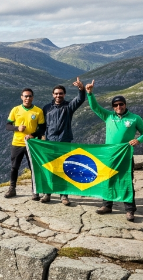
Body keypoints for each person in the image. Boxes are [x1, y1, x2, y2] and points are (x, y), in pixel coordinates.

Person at [85, 80, 143, 221]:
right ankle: (107, 205)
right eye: (115, 105)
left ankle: (130, 210)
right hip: (110, 155)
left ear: (125, 105)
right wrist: (90, 93)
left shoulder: (134, 118)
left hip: (125, 156)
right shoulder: (108, 116)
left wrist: (138, 140)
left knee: (126, 180)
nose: (118, 107)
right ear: (113, 107)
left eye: (121, 104)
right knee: (108, 179)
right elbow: (95, 107)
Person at [40, 77, 87, 205]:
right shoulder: (46, 108)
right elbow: (43, 125)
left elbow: (80, 99)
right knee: (50, 168)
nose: (58, 95)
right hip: (50, 142)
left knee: (64, 169)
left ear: (64, 94)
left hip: (64, 142)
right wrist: (38, 136)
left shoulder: (68, 106)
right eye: (56, 93)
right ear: (52, 94)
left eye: (60, 93)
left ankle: (64, 195)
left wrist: (81, 89)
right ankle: (47, 193)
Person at [4, 88, 45, 200]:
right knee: (14, 167)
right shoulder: (15, 110)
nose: (27, 98)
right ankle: (12, 189)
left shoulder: (38, 111)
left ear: (33, 97)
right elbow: (8, 126)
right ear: (21, 97)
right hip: (17, 143)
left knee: (33, 168)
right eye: (25, 96)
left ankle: (35, 191)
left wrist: (33, 134)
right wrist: (17, 128)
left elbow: (42, 128)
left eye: (30, 96)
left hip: (31, 144)